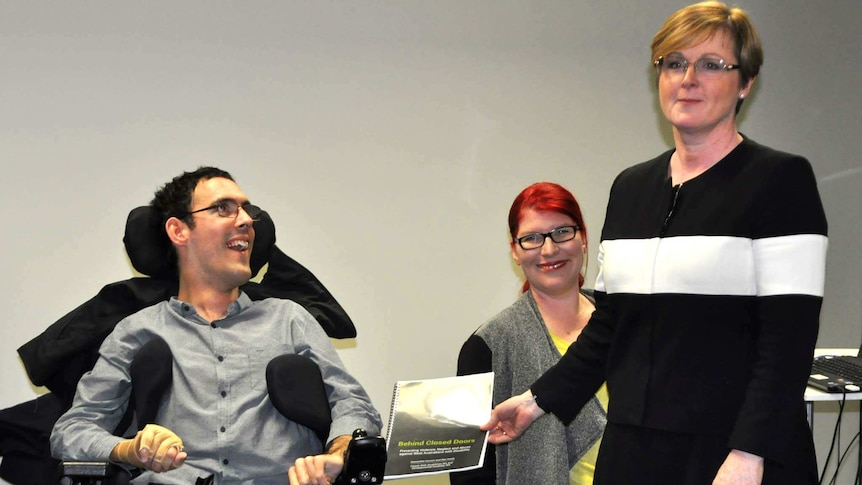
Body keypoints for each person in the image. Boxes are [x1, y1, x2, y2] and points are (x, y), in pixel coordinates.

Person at [481, 2, 828, 484]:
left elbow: (787, 342)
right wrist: (535, 401)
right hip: (634, 450)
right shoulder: (631, 187)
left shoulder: (780, 181)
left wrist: (749, 454)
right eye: (673, 62)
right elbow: (610, 325)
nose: (688, 77)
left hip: (734, 453)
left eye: (711, 64)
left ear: (745, 82)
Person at [50, 167, 382, 485]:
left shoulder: (289, 319)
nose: (246, 220)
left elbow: (352, 403)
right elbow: (72, 431)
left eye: (247, 211)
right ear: (179, 231)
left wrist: (339, 452)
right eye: (224, 208)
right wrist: (132, 449)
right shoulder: (137, 331)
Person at [451, 182, 606, 485]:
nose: (549, 249)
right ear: (515, 251)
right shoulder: (488, 346)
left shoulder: (622, 323)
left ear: (584, 238)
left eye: (562, 232)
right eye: (532, 239)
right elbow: (470, 470)